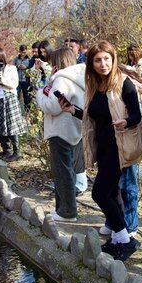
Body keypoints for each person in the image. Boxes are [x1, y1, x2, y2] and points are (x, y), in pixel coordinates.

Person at [60, 41, 142, 261]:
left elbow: (137, 117)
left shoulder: (124, 83)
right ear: (91, 63)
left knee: (98, 193)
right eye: (98, 60)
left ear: (114, 59)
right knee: (111, 193)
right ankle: (119, 239)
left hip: (119, 148)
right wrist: (73, 110)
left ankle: (126, 239)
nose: (103, 64)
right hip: (102, 147)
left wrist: (125, 122)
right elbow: (95, 115)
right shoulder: (94, 85)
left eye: (107, 59)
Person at [35, 47, 86, 222]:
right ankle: (62, 209)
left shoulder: (62, 79)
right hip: (75, 129)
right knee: (68, 170)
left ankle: (67, 212)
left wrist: (41, 92)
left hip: (60, 130)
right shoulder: (80, 77)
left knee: (62, 171)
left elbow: (53, 106)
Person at [0, 47, 28, 161]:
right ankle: (6, 150)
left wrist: (2, 79)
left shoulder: (12, 68)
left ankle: (17, 151)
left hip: (9, 98)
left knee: (11, 124)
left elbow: (14, 84)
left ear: (3, 57)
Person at [14, 44, 33, 111]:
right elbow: (12, 68)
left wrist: (26, 68)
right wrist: (17, 67)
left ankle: (27, 112)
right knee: (16, 97)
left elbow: (32, 70)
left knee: (26, 97)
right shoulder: (16, 59)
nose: (23, 54)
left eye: (24, 52)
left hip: (26, 81)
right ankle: (17, 111)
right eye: (21, 52)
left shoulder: (29, 59)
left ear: (26, 51)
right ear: (19, 51)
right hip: (18, 81)